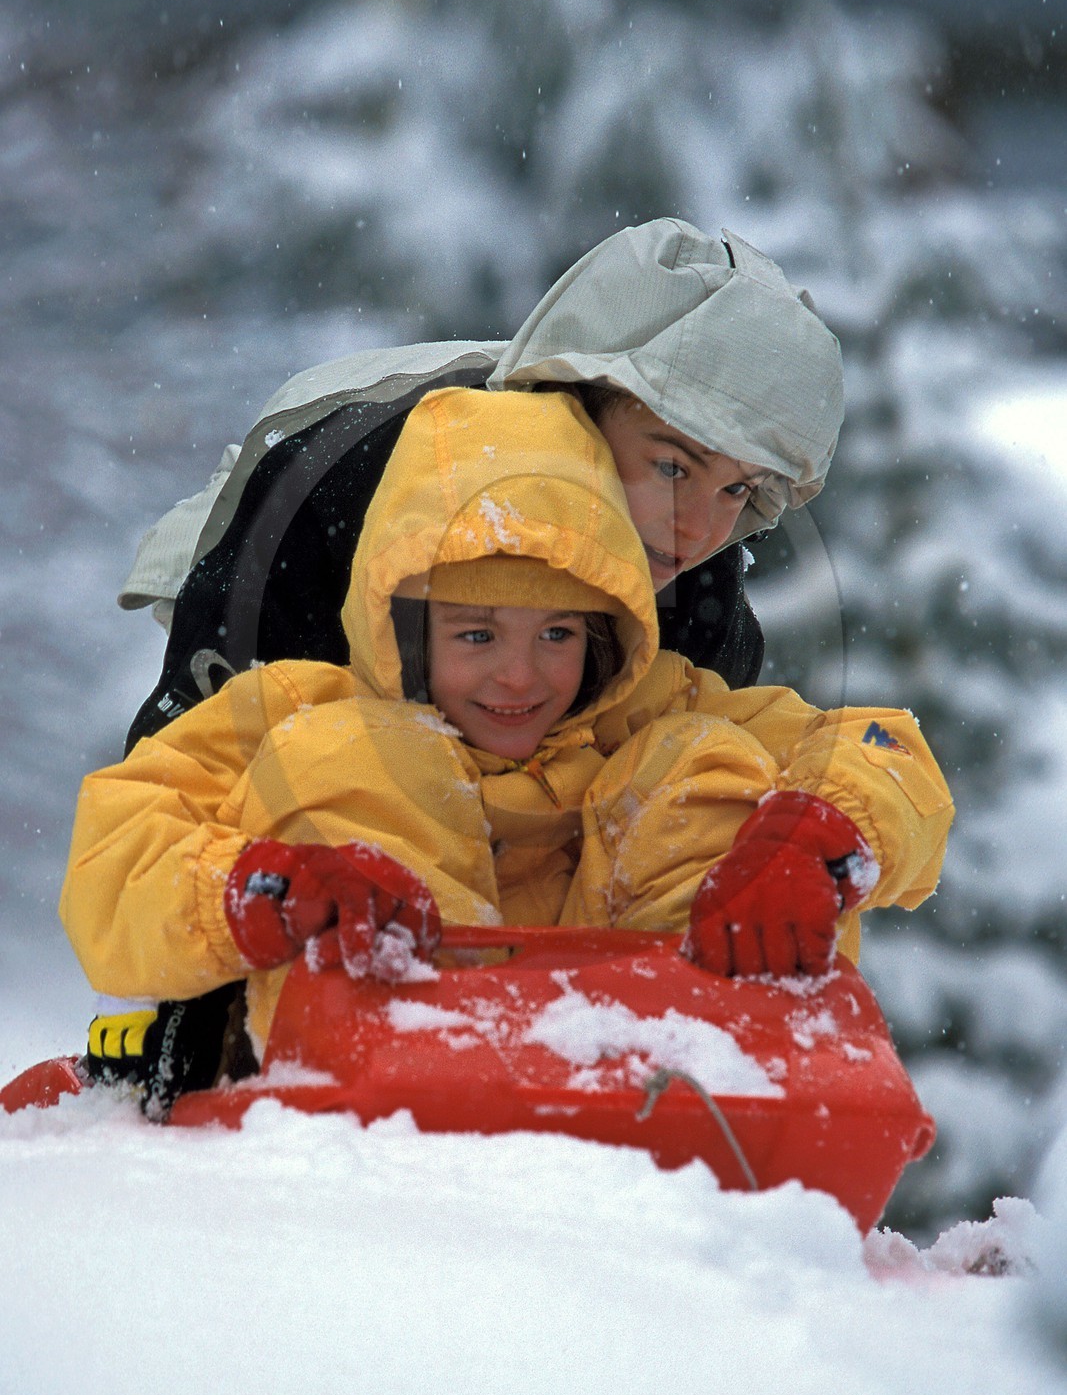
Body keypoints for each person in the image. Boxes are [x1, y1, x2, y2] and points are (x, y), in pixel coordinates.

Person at [62, 388, 953, 1096]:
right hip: (359, 1094)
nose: (519, 678)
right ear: (405, 630)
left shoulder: (653, 705)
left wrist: (818, 836)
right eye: (476, 635)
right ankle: (407, 1033)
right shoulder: (290, 705)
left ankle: (728, 1052)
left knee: (702, 763)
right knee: (345, 752)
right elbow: (119, 846)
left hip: (642, 1080)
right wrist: (269, 888)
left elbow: (878, 743)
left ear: (605, 628)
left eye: (557, 635)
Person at [118, 219, 845, 753]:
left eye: (738, 491)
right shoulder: (340, 484)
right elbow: (179, 783)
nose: (700, 530)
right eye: (672, 468)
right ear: (582, 404)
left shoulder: (695, 600)